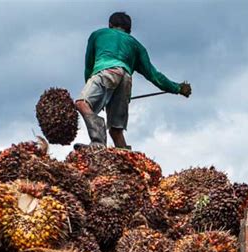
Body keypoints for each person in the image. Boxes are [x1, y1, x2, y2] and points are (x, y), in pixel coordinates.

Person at [75, 11, 192, 149]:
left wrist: (94, 100)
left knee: (82, 104)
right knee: (116, 130)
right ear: (129, 30)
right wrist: (177, 88)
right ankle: (126, 162)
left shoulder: (98, 35)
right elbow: (154, 75)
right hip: (126, 79)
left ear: (110, 25)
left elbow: (89, 67)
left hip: (106, 72)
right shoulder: (135, 45)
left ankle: (98, 141)